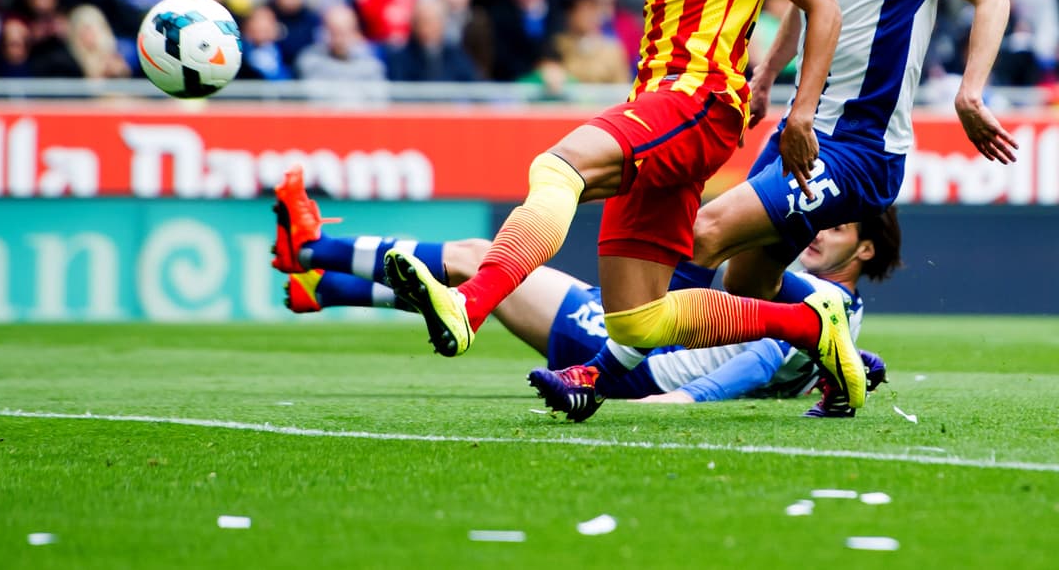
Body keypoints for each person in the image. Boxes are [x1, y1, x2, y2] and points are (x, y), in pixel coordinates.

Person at [380, 0, 863, 406]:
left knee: (558, 169)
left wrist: (799, 113)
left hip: (696, 100)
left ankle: (470, 304)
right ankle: (811, 323)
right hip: (664, 102)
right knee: (636, 320)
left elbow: (822, 6)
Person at [536, 0, 1020, 422]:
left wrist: (969, 91)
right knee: (746, 285)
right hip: (800, 135)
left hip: (860, 150)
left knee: (702, 235)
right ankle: (830, 334)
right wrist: (764, 76)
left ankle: (599, 374)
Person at [270, 166, 893, 417]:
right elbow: (795, 359)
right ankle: (324, 287)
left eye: (834, 225)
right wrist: (856, 368)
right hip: (636, 337)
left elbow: (763, 358)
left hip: (636, 359)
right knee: (482, 280)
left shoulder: (820, 304)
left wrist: (685, 402)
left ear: (865, 250)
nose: (814, 233)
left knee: (481, 264)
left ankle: (310, 250)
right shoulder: (839, 316)